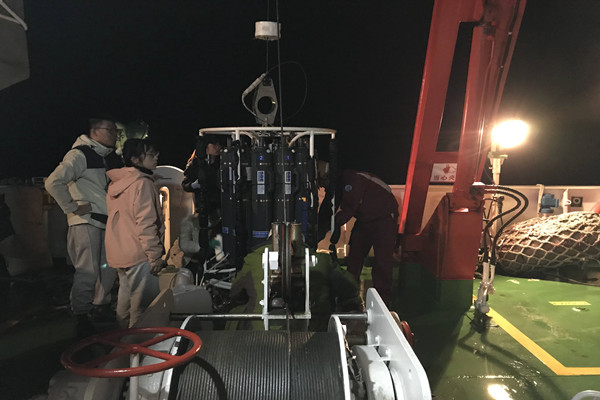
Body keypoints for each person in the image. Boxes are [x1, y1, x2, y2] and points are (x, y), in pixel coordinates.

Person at [44, 118, 121, 336]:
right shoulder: (80, 155)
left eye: (115, 131)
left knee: (108, 268)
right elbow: (53, 182)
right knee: (88, 270)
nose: (115, 134)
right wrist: (72, 207)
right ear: (95, 131)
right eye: (110, 130)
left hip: (103, 221)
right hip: (86, 221)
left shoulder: (104, 157)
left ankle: (100, 306)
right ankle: (81, 314)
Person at [105, 138, 166, 328]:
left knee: (124, 301)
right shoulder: (142, 184)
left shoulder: (117, 183)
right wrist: (155, 256)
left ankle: (120, 340)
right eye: (151, 154)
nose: (156, 157)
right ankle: (138, 343)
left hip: (119, 250)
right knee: (143, 308)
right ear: (135, 159)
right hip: (139, 252)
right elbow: (146, 223)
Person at [328, 170, 399, 306]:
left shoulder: (353, 181)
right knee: (355, 256)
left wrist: (332, 223)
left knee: (382, 261)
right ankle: (349, 293)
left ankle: (383, 301)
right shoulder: (347, 184)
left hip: (384, 219)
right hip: (366, 219)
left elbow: (349, 208)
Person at [181, 136, 222, 263]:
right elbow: (185, 184)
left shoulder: (223, 162)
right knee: (204, 236)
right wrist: (194, 185)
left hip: (220, 208)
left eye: (219, 145)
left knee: (218, 238)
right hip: (203, 209)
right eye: (214, 145)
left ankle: (218, 258)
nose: (218, 147)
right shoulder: (196, 165)